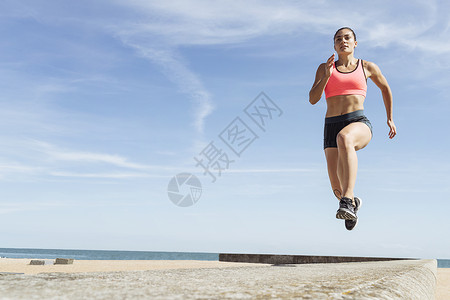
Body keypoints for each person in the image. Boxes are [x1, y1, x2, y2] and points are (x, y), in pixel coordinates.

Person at [309, 27, 397, 230]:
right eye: (338, 39)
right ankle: (352, 203)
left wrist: (390, 118)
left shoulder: (366, 66)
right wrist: (326, 76)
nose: (343, 41)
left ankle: (348, 200)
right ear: (334, 45)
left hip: (357, 121)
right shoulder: (324, 68)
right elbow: (313, 99)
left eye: (347, 38)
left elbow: (385, 88)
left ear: (355, 43)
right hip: (330, 126)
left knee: (345, 138)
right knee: (336, 189)